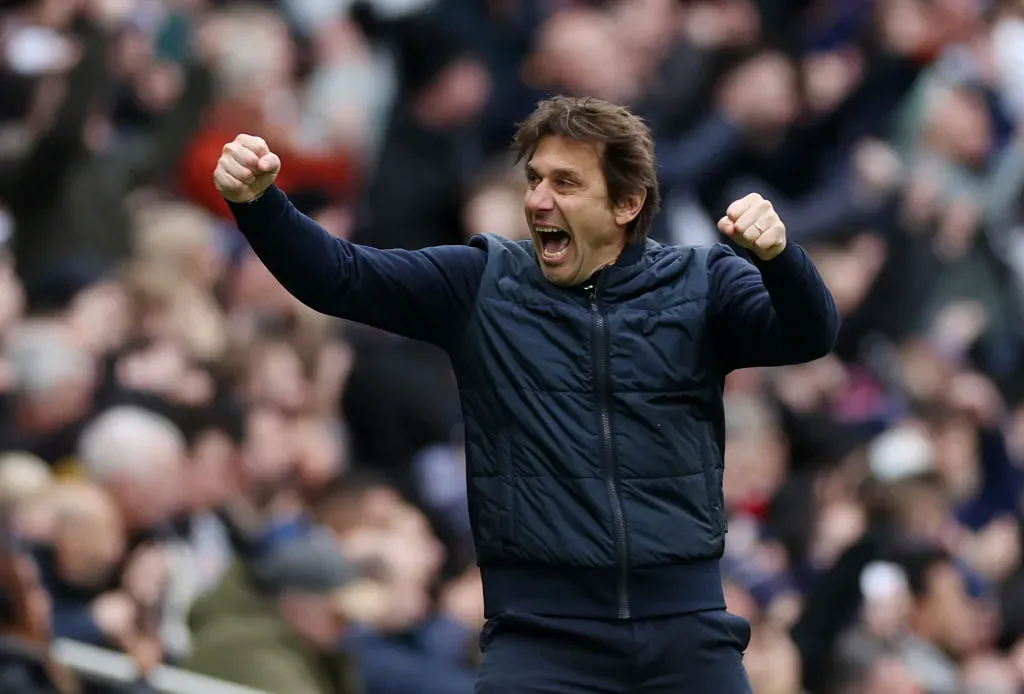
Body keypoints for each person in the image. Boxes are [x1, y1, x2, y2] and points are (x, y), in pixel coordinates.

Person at [212, 95, 839, 693]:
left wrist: (781, 260)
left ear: (626, 203)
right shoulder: (481, 282)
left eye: (565, 183)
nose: (538, 200)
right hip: (542, 640)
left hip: (687, 632)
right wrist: (261, 204)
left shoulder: (704, 283)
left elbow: (810, 333)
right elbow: (341, 277)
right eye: (534, 179)